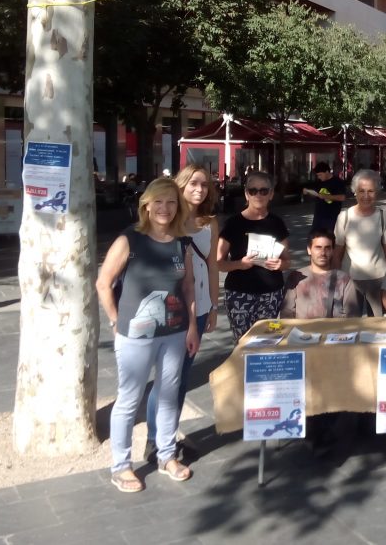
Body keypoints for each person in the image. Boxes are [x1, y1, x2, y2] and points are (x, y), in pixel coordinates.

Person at [95, 178, 199, 493]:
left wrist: (192, 326)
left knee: (168, 395)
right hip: (136, 335)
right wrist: (115, 320)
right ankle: (121, 466)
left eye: (171, 202)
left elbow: (188, 287)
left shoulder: (182, 243)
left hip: (175, 332)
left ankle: (166, 455)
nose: (165, 208)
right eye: (159, 202)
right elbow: (103, 283)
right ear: (146, 205)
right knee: (129, 399)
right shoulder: (129, 239)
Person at [145, 164, 220, 461]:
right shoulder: (166, 220)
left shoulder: (210, 223)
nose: (199, 189)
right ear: (181, 185)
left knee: (182, 374)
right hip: (170, 309)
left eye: (204, 184)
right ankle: (154, 440)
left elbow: (212, 266)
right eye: (193, 183)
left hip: (199, 308)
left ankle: (168, 434)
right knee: (166, 377)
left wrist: (213, 305)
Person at [217, 171, 290, 343]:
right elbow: (218, 263)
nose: (258, 195)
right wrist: (239, 264)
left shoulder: (276, 223)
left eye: (264, 191)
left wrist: (279, 264)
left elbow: (287, 261)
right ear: (246, 194)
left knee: (268, 341)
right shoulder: (233, 223)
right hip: (239, 293)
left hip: (271, 293)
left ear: (271, 194)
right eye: (253, 190)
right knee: (243, 343)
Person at [332, 168, 386, 316]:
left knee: (378, 321)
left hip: (378, 278)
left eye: (371, 191)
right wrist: (337, 279)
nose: (366, 196)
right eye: (361, 191)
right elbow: (337, 253)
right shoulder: (344, 217)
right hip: (350, 279)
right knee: (351, 321)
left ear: (377, 192)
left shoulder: (383, 216)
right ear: (355, 192)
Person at [282, 229, 360, 319]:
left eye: (327, 248)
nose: (323, 253)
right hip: (301, 328)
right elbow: (286, 313)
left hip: (334, 328)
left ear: (332, 251)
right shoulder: (295, 277)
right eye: (318, 247)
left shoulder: (344, 280)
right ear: (309, 250)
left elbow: (352, 316)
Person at [302, 161, 346, 233]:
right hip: (318, 217)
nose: (319, 177)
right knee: (315, 236)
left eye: (320, 175)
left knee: (329, 236)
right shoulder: (319, 182)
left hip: (331, 217)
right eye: (318, 175)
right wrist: (308, 192)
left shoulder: (337, 182)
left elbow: (342, 197)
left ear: (327, 172)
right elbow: (317, 194)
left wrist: (326, 196)